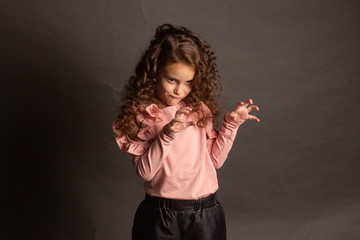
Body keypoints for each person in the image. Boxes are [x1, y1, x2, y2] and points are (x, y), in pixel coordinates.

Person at [112, 23, 260, 240]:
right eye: (171, 79)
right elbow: (145, 172)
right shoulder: (142, 114)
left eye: (188, 82)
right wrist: (168, 133)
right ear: (155, 72)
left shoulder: (198, 109)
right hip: (159, 214)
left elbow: (215, 161)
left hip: (204, 213)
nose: (179, 90)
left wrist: (230, 125)